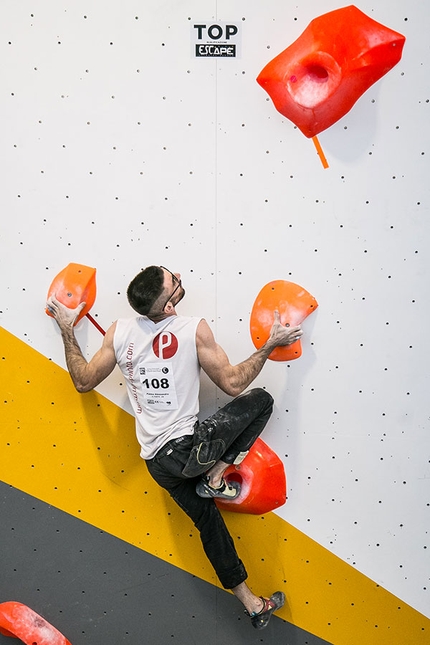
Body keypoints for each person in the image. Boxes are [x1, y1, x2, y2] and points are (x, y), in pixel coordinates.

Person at [46, 265, 303, 630]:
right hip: (187, 452)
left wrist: (67, 328)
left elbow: (83, 380)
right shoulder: (191, 328)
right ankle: (215, 475)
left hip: (157, 462)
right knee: (260, 400)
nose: (179, 278)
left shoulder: (119, 333)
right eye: (174, 282)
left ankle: (252, 604)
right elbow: (232, 383)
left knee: (210, 524)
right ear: (168, 306)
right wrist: (270, 344)